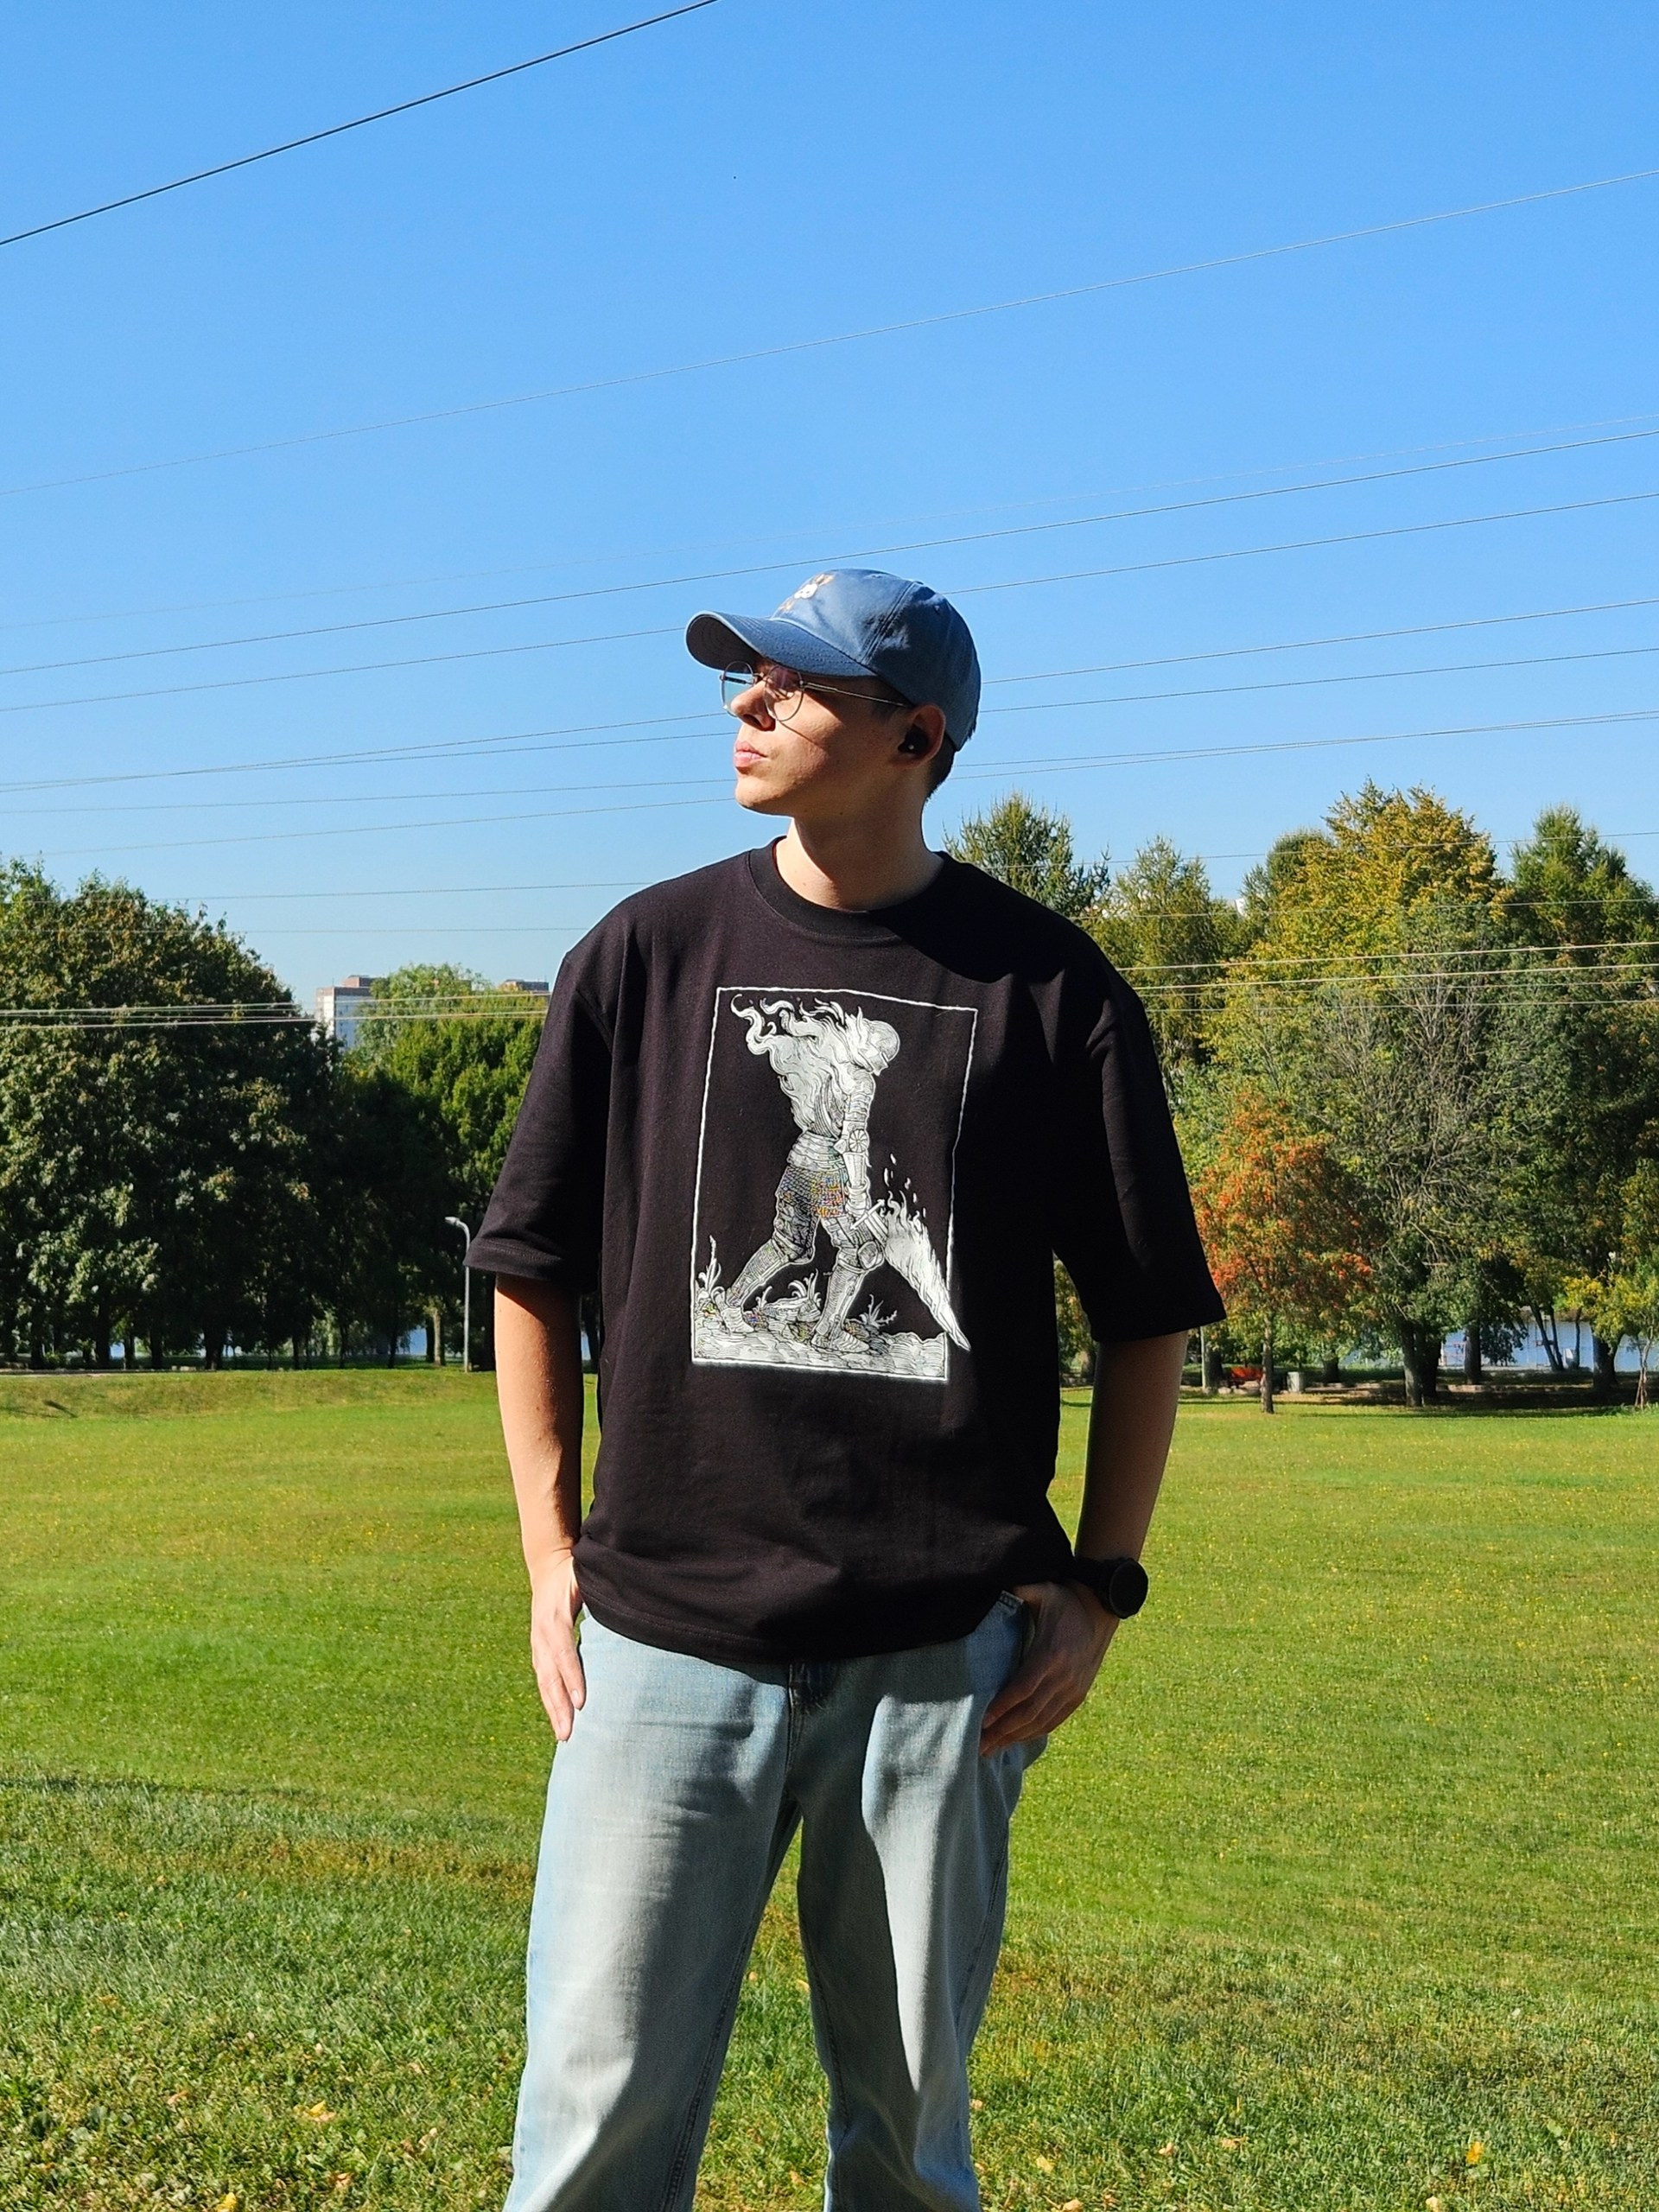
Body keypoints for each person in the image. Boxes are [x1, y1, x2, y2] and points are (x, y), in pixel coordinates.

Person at [467, 567, 1224, 2212]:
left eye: (793, 684)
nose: (747, 705)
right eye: (745, 676)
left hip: (939, 1667)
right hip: (664, 1645)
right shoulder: (645, 954)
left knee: (905, 2153)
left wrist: (1102, 1584)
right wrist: (546, 1555)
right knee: (589, 2133)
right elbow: (526, 1265)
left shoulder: (1051, 990)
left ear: (914, 737)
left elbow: (1148, 1313)